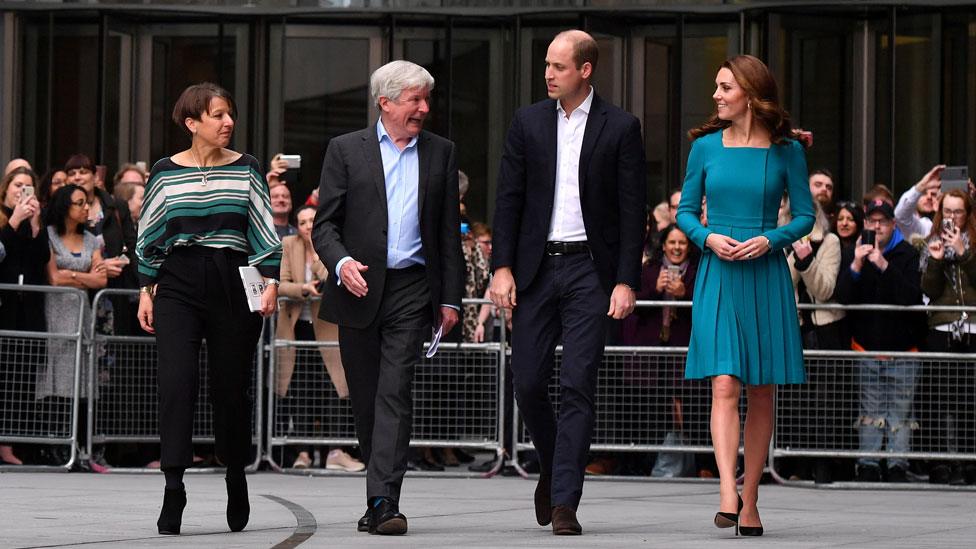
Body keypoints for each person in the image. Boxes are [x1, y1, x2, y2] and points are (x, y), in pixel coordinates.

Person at [489, 30, 646, 535]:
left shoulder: (621, 127)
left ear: (585, 70)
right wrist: (502, 266)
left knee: (579, 382)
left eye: (558, 66)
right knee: (528, 380)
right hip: (536, 269)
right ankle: (557, 466)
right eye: (546, 65)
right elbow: (508, 199)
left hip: (589, 273)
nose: (548, 73)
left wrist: (625, 280)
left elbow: (631, 213)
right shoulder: (528, 122)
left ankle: (564, 501)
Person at [312, 60, 462, 536]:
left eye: (426, 99)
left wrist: (451, 300)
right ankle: (375, 496)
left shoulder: (441, 152)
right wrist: (340, 263)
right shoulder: (344, 150)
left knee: (395, 392)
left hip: (412, 289)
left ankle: (384, 501)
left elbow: (446, 236)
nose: (424, 108)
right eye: (415, 99)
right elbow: (325, 225)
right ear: (386, 102)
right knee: (367, 399)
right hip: (358, 287)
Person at [675, 54, 814, 537]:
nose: (716, 95)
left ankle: (751, 497)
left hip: (766, 271)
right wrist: (708, 239)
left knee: (761, 389)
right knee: (724, 385)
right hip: (718, 269)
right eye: (717, 86)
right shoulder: (704, 148)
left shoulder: (788, 151)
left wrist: (771, 239)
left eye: (725, 87)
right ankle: (727, 493)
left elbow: (804, 216)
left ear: (751, 94)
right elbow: (686, 212)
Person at [135, 82, 281, 535]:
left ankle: (235, 476)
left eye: (230, 114)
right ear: (191, 122)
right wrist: (146, 289)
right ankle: (173, 487)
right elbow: (150, 231)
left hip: (233, 277)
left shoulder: (247, 168)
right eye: (218, 115)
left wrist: (271, 280)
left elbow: (262, 226)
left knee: (230, 388)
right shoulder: (164, 171)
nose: (228, 123)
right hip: (177, 280)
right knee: (176, 382)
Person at [834, 199, 923, 483]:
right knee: (870, 412)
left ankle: (897, 464)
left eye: (882, 222)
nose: (876, 227)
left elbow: (910, 297)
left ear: (893, 224)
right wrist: (858, 263)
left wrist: (883, 265)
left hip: (903, 349)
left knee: (900, 412)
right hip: (865, 347)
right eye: (871, 222)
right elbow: (843, 297)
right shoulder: (852, 252)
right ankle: (869, 463)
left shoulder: (907, 253)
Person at [275, 205, 362, 472]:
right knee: (300, 389)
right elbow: (280, 283)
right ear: (297, 226)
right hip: (296, 329)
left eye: (313, 220)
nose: (308, 226)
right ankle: (303, 452)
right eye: (303, 222)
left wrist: (317, 257)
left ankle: (335, 451)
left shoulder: (330, 243)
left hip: (328, 328)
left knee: (335, 388)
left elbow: (331, 274)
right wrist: (303, 288)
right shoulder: (288, 244)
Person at [920, 190, 976, 485]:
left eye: (959, 211)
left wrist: (965, 254)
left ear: (968, 214)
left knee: (969, 401)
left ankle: (968, 462)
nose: (953, 217)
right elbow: (928, 289)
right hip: (942, 327)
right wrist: (937, 259)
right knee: (939, 400)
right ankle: (939, 462)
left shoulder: (974, 242)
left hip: (971, 328)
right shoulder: (931, 241)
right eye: (948, 211)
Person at [38, 184, 107, 405]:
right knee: (56, 365)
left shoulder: (90, 239)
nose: (86, 207)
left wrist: (72, 275)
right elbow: (54, 278)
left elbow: (101, 279)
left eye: (87, 202)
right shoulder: (47, 235)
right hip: (54, 312)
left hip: (82, 313)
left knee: (81, 367)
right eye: (80, 203)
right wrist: (83, 276)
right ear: (64, 206)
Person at [0, 166, 48, 466]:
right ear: (5, 189)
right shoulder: (5, 219)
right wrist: (14, 221)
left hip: (27, 309)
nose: (22, 192)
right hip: (4, 308)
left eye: (28, 186)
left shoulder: (33, 221)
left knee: (23, 376)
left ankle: (13, 442)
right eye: (17, 185)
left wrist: (34, 224)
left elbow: (41, 258)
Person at [895, 165, 943, 240]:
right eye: (924, 193)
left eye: (933, 194)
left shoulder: (946, 218)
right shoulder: (919, 225)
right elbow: (900, 215)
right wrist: (922, 185)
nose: (929, 197)